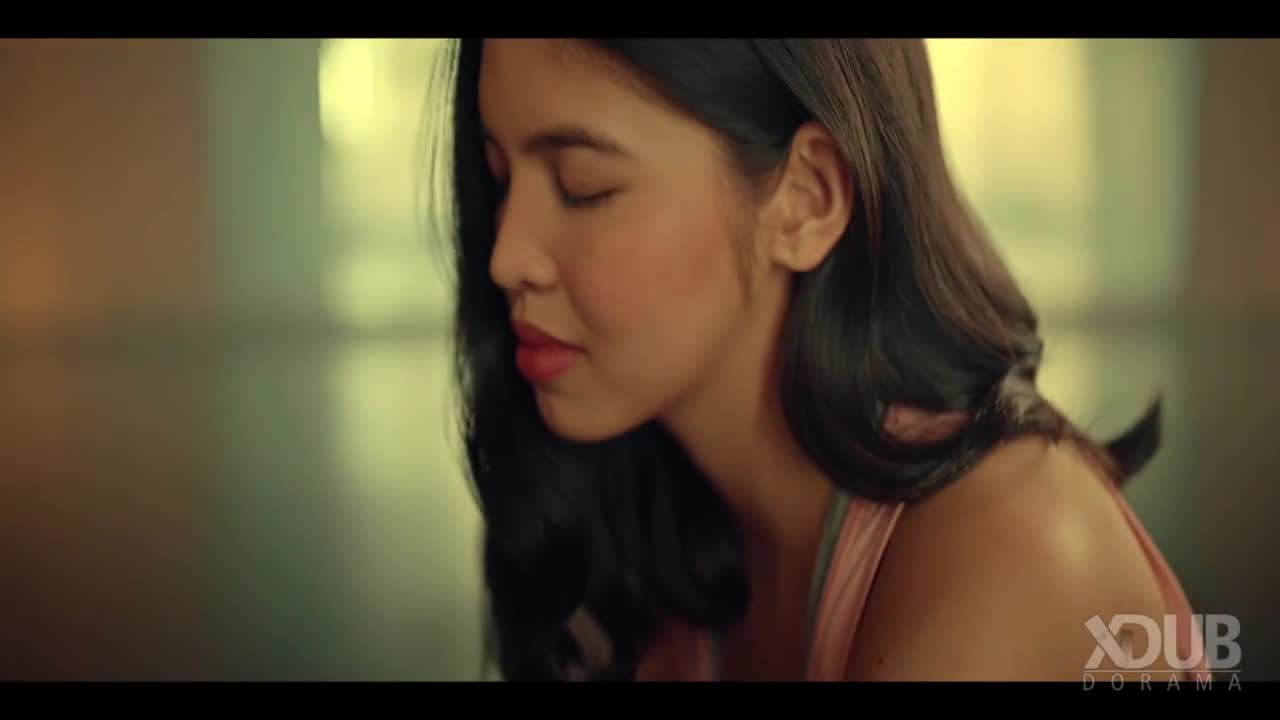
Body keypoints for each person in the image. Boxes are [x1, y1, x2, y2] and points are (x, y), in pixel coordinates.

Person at [430, 38, 1209, 682]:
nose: (506, 256)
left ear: (806, 200)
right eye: (499, 179)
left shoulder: (1013, 548)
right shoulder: (656, 552)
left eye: (583, 186)